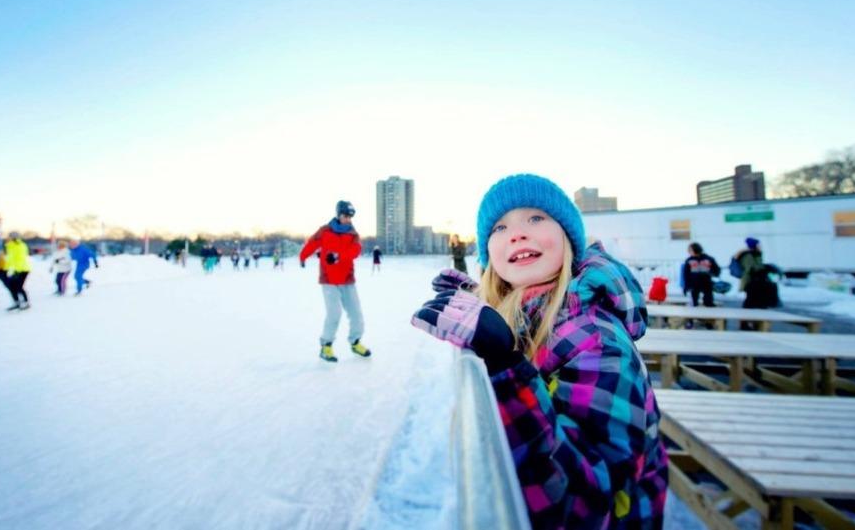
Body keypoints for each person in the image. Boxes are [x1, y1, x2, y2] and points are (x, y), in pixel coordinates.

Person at [411, 174, 667, 529]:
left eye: (535, 218)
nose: (516, 233)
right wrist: (479, 301)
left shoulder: (596, 337)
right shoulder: (526, 311)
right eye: (499, 228)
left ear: (568, 238)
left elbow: (586, 503)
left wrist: (506, 368)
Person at [299, 200, 372, 362]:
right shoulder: (325, 231)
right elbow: (312, 243)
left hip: (347, 280)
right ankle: (326, 346)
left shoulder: (353, 234)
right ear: (338, 215)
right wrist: (303, 256)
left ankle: (355, 342)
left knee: (356, 314)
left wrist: (339, 256)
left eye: (350, 217)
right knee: (334, 313)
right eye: (345, 216)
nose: (348, 219)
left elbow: (355, 251)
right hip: (329, 280)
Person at [682, 242, 720, 307]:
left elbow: (716, 269)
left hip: (706, 282)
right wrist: (686, 286)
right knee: (694, 302)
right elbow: (686, 274)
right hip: (694, 283)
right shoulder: (689, 260)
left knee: (708, 301)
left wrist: (712, 273)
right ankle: (695, 315)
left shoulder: (708, 259)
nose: (689, 252)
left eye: (690, 250)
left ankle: (709, 315)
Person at [4, 232, 32, 310]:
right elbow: (10, 259)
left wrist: (18, 270)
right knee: (11, 286)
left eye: (9, 237)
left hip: (23, 269)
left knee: (19, 287)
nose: (8, 238)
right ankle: (16, 302)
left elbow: (21, 258)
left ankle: (26, 302)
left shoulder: (20, 245)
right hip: (15, 270)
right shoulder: (9, 246)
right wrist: (6, 268)